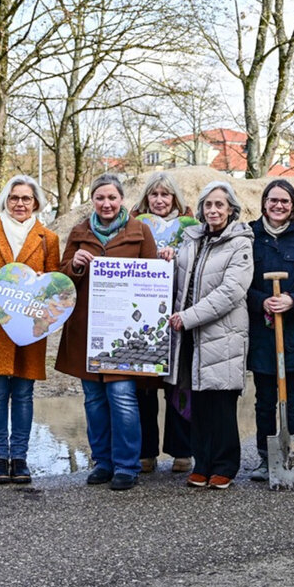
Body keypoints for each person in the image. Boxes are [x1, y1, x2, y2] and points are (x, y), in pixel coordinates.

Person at [58, 174, 158, 491]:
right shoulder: (79, 232)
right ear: (92, 200)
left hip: (126, 334)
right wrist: (74, 264)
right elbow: (60, 283)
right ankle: (102, 462)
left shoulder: (140, 230)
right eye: (100, 198)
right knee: (94, 400)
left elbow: (153, 278)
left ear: (122, 200)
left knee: (123, 398)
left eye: (112, 198)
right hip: (87, 330)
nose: (106, 204)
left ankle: (127, 465)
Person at [0, 175, 60, 486]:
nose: (20, 203)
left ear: (36, 203)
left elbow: (56, 286)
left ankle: (19, 458)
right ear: (5, 199)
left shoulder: (48, 238)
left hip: (31, 325)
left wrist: (40, 281)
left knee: (23, 393)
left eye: (26, 199)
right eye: (15, 197)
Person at [167, 181, 253, 489]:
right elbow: (178, 276)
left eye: (220, 204)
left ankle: (224, 466)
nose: (213, 210)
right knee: (198, 402)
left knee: (221, 402)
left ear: (231, 209)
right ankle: (201, 463)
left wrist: (187, 317)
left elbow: (231, 292)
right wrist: (167, 259)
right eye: (208, 205)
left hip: (222, 334)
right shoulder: (191, 239)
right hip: (191, 336)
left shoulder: (240, 243)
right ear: (201, 209)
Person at [246, 179, 294, 482]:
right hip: (264, 332)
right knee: (264, 399)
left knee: (292, 397)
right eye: (273, 200)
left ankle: (292, 454)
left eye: (285, 201)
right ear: (264, 202)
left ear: (293, 206)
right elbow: (242, 285)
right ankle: (266, 460)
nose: (278, 206)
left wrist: (293, 299)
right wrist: (263, 301)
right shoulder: (250, 235)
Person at [129, 172, 194, 474]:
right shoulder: (133, 226)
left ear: (175, 199)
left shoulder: (191, 228)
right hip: (142, 315)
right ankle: (145, 451)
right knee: (144, 386)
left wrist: (177, 256)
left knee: (178, 385)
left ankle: (182, 450)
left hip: (179, 313)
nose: (159, 200)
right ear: (146, 198)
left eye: (165, 195)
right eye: (154, 194)